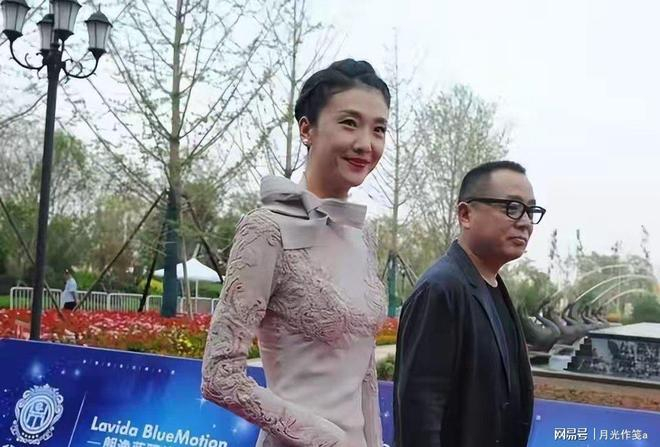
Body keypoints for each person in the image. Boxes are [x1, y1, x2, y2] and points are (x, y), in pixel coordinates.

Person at [202, 59, 390, 447]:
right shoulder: (265, 229)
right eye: (349, 123)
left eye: (379, 129)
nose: (365, 144)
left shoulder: (363, 237)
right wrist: (325, 439)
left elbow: (365, 371)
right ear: (307, 129)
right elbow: (219, 375)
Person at [394, 161, 546, 447]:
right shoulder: (441, 289)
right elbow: (420, 412)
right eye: (512, 207)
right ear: (465, 214)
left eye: (531, 210)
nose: (525, 222)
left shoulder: (494, 287)